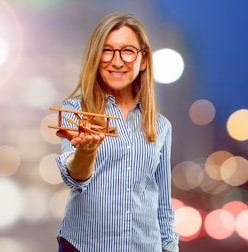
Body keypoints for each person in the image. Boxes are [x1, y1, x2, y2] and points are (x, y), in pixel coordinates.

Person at [53, 12, 179, 252]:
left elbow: (162, 201)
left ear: (143, 60)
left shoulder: (161, 126)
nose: (117, 61)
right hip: (83, 245)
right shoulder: (75, 110)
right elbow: (74, 179)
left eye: (128, 51)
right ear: (96, 57)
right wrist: (86, 151)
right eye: (107, 50)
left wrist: (169, 246)